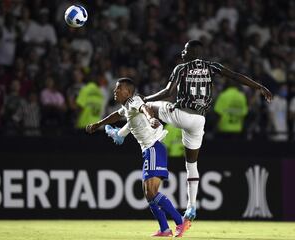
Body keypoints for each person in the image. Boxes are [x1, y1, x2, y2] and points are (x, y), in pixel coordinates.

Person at [106, 40, 273, 229]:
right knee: (191, 165)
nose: (182, 52)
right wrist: (259, 86)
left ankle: (121, 134)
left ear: (193, 52)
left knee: (143, 106)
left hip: (181, 114)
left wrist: (145, 98)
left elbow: (169, 92)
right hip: (199, 121)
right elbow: (234, 75)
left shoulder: (181, 68)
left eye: (185, 50)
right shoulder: (212, 66)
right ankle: (191, 208)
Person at [86, 78, 187, 238]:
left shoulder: (135, 100)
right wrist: (98, 124)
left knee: (152, 192)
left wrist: (151, 118)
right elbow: (115, 116)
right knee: (148, 195)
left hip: (153, 147)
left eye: (118, 89)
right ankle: (165, 229)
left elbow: (144, 108)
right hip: (148, 150)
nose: (115, 91)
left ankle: (180, 221)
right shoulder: (126, 107)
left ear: (127, 91)